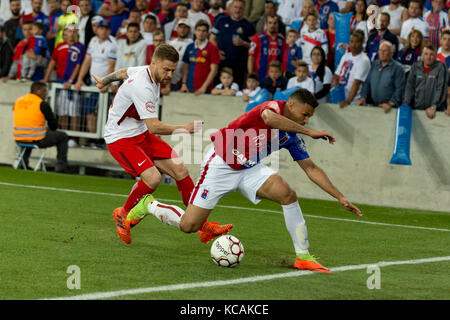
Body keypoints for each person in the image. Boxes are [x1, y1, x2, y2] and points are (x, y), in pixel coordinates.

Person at [126, 88, 362, 273]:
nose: (307, 121)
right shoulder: (271, 107)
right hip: (221, 163)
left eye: (310, 118)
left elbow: (311, 168)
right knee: (189, 226)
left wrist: (339, 196)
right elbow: (269, 119)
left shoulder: (292, 135)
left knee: (287, 194)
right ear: (291, 105)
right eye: (305, 115)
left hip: (250, 169)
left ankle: (303, 257)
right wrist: (309, 132)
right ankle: (149, 204)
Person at [91, 44, 232, 245]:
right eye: (166, 69)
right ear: (153, 63)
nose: (169, 74)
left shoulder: (144, 71)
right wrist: (185, 128)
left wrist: (104, 81)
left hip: (140, 135)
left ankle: (203, 227)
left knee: (181, 170)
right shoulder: (143, 86)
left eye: (173, 70)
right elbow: (154, 127)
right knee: (153, 178)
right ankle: (123, 213)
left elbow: (122, 72)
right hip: (120, 138)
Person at [13, 82, 69, 173]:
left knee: (28, 136)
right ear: (37, 91)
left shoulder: (18, 101)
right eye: (44, 91)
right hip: (36, 139)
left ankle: (22, 164)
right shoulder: (42, 104)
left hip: (18, 138)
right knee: (63, 136)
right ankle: (61, 168)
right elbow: (54, 125)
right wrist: (47, 129)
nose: (46, 94)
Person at [75, 19, 117, 133]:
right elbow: (86, 61)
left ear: (109, 31)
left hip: (104, 84)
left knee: (104, 112)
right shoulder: (93, 41)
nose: (103, 31)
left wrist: (106, 83)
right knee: (89, 110)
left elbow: (112, 66)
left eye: (106, 29)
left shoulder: (112, 44)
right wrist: (79, 80)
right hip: (92, 83)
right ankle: (92, 138)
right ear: (97, 30)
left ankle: (103, 140)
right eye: (101, 28)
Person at [42, 25, 85, 130]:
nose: (72, 33)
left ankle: (74, 138)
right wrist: (45, 78)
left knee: (75, 113)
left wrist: (70, 81)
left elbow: (79, 65)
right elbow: (53, 62)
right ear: (65, 33)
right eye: (70, 31)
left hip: (73, 85)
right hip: (60, 83)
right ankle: (64, 134)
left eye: (74, 31)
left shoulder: (81, 47)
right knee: (62, 112)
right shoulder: (59, 46)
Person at [210, 0, 255, 89]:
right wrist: (217, 52)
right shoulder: (221, 20)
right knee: (218, 89)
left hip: (239, 66)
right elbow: (212, 38)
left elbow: (253, 46)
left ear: (244, 10)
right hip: (222, 63)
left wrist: (243, 43)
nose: (237, 10)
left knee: (236, 90)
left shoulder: (248, 25)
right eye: (235, 7)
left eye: (240, 8)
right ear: (230, 8)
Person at [356, 41, 405, 113]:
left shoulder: (398, 68)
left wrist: (391, 103)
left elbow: (400, 89)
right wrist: (363, 97)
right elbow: (367, 83)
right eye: (380, 50)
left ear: (391, 54)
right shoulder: (374, 65)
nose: (382, 53)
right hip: (373, 106)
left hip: (390, 108)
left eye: (385, 51)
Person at [403, 44, 448, 119]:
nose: (428, 57)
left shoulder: (441, 67)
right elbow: (409, 87)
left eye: (431, 54)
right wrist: (406, 105)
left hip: (435, 111)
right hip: (417, 108)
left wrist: (434, 106)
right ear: (422, 55)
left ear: (436, 56)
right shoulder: (415, 67)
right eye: (426, 54)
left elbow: (441, 88)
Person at [331, 29, 370, 107]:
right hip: (339, 97)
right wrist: (334, 85)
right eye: (351, 41)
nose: (353, 45)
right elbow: (336, 75)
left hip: (353, 102)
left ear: (362, 42)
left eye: (357, 42)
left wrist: (348, 101)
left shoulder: (364, 60)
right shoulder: (346, 56)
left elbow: (356, 83)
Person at [180, 19, 220, 95]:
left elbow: (214, 70)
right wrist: (184, 84)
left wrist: (204, 87)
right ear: (195, 31)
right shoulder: (190, 47)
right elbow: (185, 68)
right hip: (189, 88)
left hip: (206, 90)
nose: (201, 33)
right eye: (199, 30)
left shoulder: (212, 48)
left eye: (204, 31)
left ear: (208, 33)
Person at [248, 14, 285, 82]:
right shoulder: (257, 37)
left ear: (278, 25)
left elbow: (282, 59)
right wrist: (251, 75)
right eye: (270, 23)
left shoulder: (281, 39)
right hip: (259, 76)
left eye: (275, 23)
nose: (272, 25)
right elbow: (251, 57)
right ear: (266, 24)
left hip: (275, 78)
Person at [168, 18, 193, 90]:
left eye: (185, 27)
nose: (182, 29)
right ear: (177, 28)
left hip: (185, 79)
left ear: (189, 29)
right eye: (181, 27)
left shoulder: (191, 44)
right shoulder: (170, 43)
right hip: (171, 78)